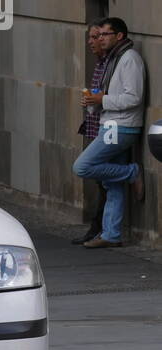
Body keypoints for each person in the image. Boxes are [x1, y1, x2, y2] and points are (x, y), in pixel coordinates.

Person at [73, 17, 148, 248]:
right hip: (111, 123)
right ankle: (111, 234)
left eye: (105, 34)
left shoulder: (129, 59)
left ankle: (131, 172)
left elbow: (134, 97)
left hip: (120, 126)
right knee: (111, 184)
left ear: (119, 36)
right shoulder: (113, 60)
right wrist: (93, 101)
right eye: (100, 34)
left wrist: (101, 99)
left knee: (82, 166)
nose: (100, 38)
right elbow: (108, 95)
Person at [73, 23, 120, 243]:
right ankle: (100, 229)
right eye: (92, 37)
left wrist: (97, 99)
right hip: (98, 124)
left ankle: (100, 229)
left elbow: (119, 96)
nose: (93, 41)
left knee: (98, 175)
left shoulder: (115, 62)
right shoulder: (102, 63)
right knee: (103, 181)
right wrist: (91, 100)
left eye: (97, 36)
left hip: (110, 125)